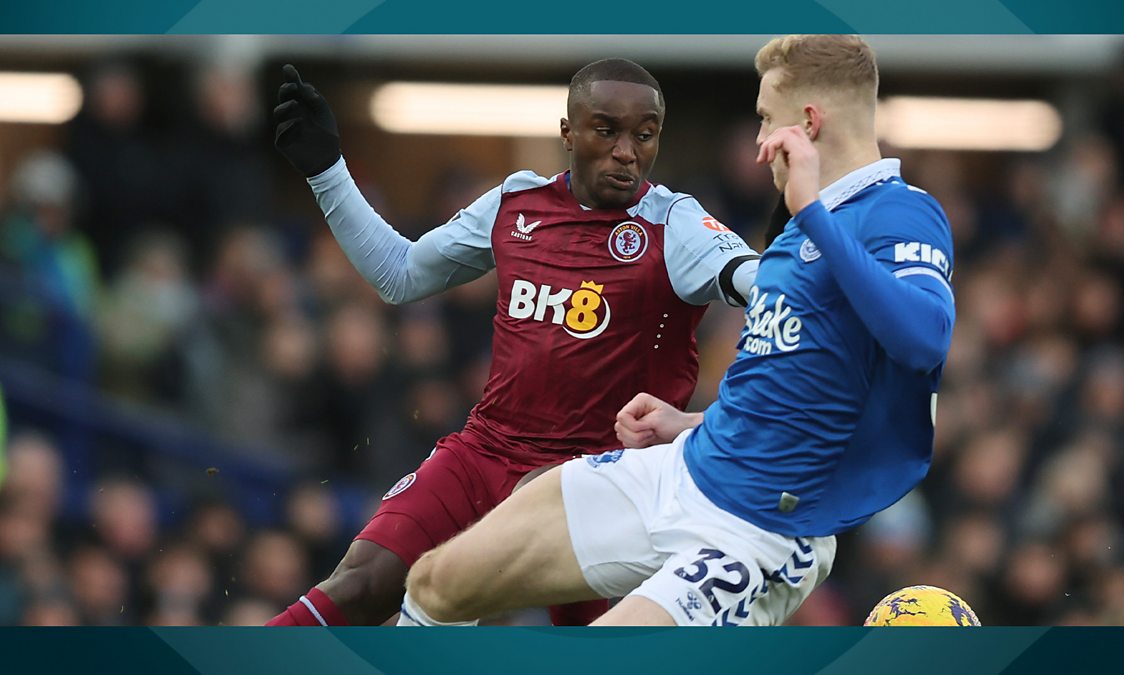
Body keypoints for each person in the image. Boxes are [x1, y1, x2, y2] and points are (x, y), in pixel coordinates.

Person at [403, 34, 956, 626]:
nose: (759, 142)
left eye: (766, 119)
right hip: (684, 469)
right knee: (437, 583)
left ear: (808, 124)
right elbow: (794, 389)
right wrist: (690, 422)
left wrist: (813, 212)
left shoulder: (897, 211)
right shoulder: (800, 230)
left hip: (761, 528)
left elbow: (924, 339)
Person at [267, 58, 760, 626]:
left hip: (604, 481)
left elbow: (773, 291)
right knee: (361, 583)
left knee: (575, 634)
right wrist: (327, 171)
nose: (626, 151)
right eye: (607, 131)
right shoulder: (516, 204)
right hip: (485, 451)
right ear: (568, 133)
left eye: (644, 136)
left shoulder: (676, 226)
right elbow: (399, 274)